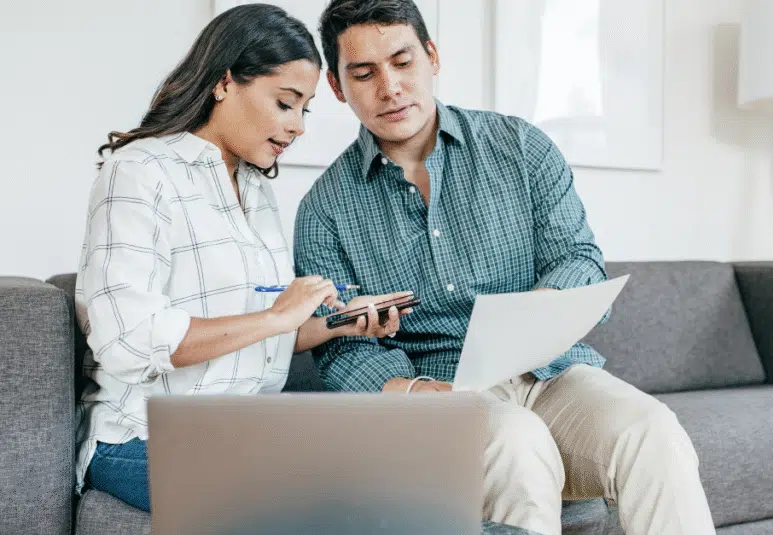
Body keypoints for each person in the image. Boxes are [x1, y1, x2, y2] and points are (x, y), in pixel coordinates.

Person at [292, 1, 717, 534]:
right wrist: (411, 391)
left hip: (554, 372)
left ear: (431, 56)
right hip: (441, 392)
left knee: (653, 429)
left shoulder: (521, 147)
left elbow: (578, 257)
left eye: (402, 62)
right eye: (365, 73)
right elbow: (341, 351)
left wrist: (541, 309)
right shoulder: (324, 209)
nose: (391, 87)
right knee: (518, 444)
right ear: (337, 87)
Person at [73, 4, 411, 513]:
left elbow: (260, 336)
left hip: (248, 430)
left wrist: (338, 325)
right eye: (285, 103)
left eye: (305, 109)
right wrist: (275, 316)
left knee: (406, 471)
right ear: (225, 82)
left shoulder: (255, 188)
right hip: (146, 439)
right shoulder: (140, 172)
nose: (297, 126)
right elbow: (128, 339)